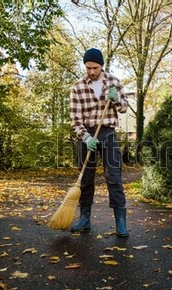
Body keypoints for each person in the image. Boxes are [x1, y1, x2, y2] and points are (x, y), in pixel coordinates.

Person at [69, 48, 129, 237]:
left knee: (114, 177)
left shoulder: (113, 82)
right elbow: (75, 119)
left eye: (95, 67)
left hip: (108, 133)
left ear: (101, 66)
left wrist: (116, 98)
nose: (92, 71)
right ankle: (84, 219)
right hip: (87, 135)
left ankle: (120, 222)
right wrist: (85, 137)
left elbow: (124, 108)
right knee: (85, 179)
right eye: (88, 68)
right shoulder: (77, 87)